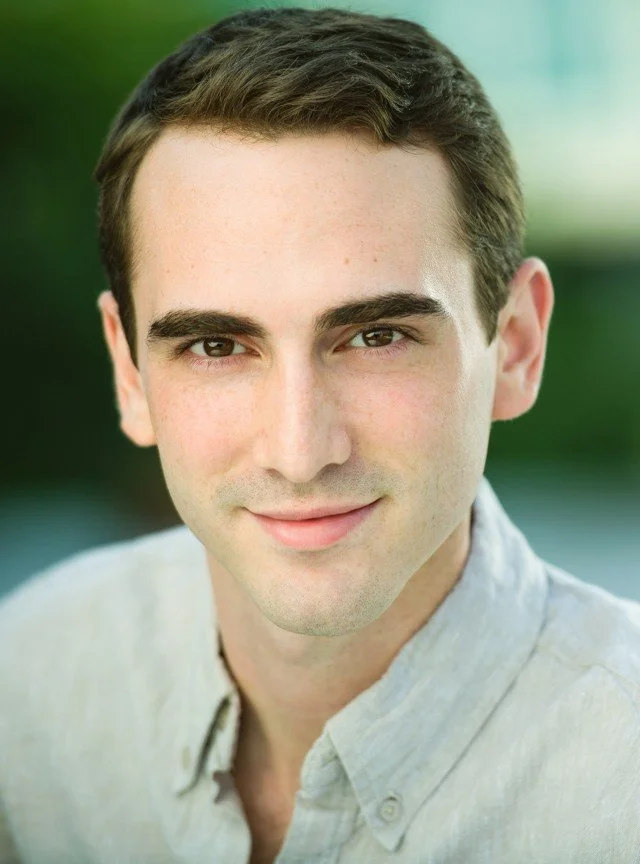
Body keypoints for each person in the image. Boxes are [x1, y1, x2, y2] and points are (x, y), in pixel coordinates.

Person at [1, 7, 638, 863]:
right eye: (216, 346)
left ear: (516, 344)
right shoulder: (32, 687)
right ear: (129, 374)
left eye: (376, 337)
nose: (300, 452)